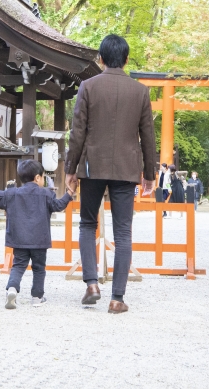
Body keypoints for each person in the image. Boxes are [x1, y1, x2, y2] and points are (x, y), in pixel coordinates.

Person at [65, 34, 158, 315]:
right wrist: (150, 174)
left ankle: (92, 284)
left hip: (93, 166)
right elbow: (148, 136)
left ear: (100, 59)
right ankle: (117, 298)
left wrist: (70, 169)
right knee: (123, 232)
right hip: (127, 168)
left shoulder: (88, 86)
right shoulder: (140, 91)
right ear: (126, 59)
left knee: (86, 224)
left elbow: (78, 132)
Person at [0, 159, 72, 309]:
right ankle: (37, 297)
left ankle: (12, 289)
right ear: (37, 178)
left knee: (18, 266)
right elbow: (59, 205)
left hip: (19, 239)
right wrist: (69, 193)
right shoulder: (47, 194)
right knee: (39, 268)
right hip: (39, 240)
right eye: (42, 177)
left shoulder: (12, 193)